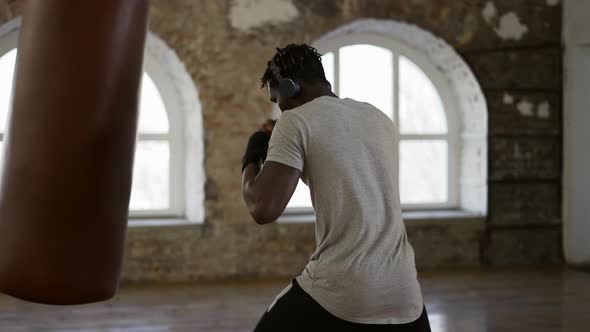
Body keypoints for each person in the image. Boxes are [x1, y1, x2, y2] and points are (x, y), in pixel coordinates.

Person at [241, 44, 431, 331]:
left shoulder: (295, 120)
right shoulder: (378, 117)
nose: (279, 108)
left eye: (277, 98)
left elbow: (262, 208)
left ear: (290, 87)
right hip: (406, 294)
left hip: (344, 289)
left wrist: (254, 151)